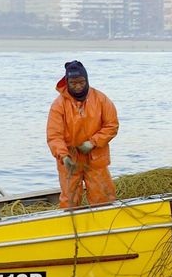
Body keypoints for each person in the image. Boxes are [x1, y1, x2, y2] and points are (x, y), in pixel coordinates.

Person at [47, 60, 119, 208]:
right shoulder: (58, 105)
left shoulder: (101, 99)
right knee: (70, 201)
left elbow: (112, 125)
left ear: (86, 80)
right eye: (73, 83)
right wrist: (63, 156)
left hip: (96, 158)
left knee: (103, 198)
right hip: (70, 160)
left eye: (81, 82)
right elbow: (54, 136)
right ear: (67, 82)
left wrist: (93, 142)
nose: (78, 86)